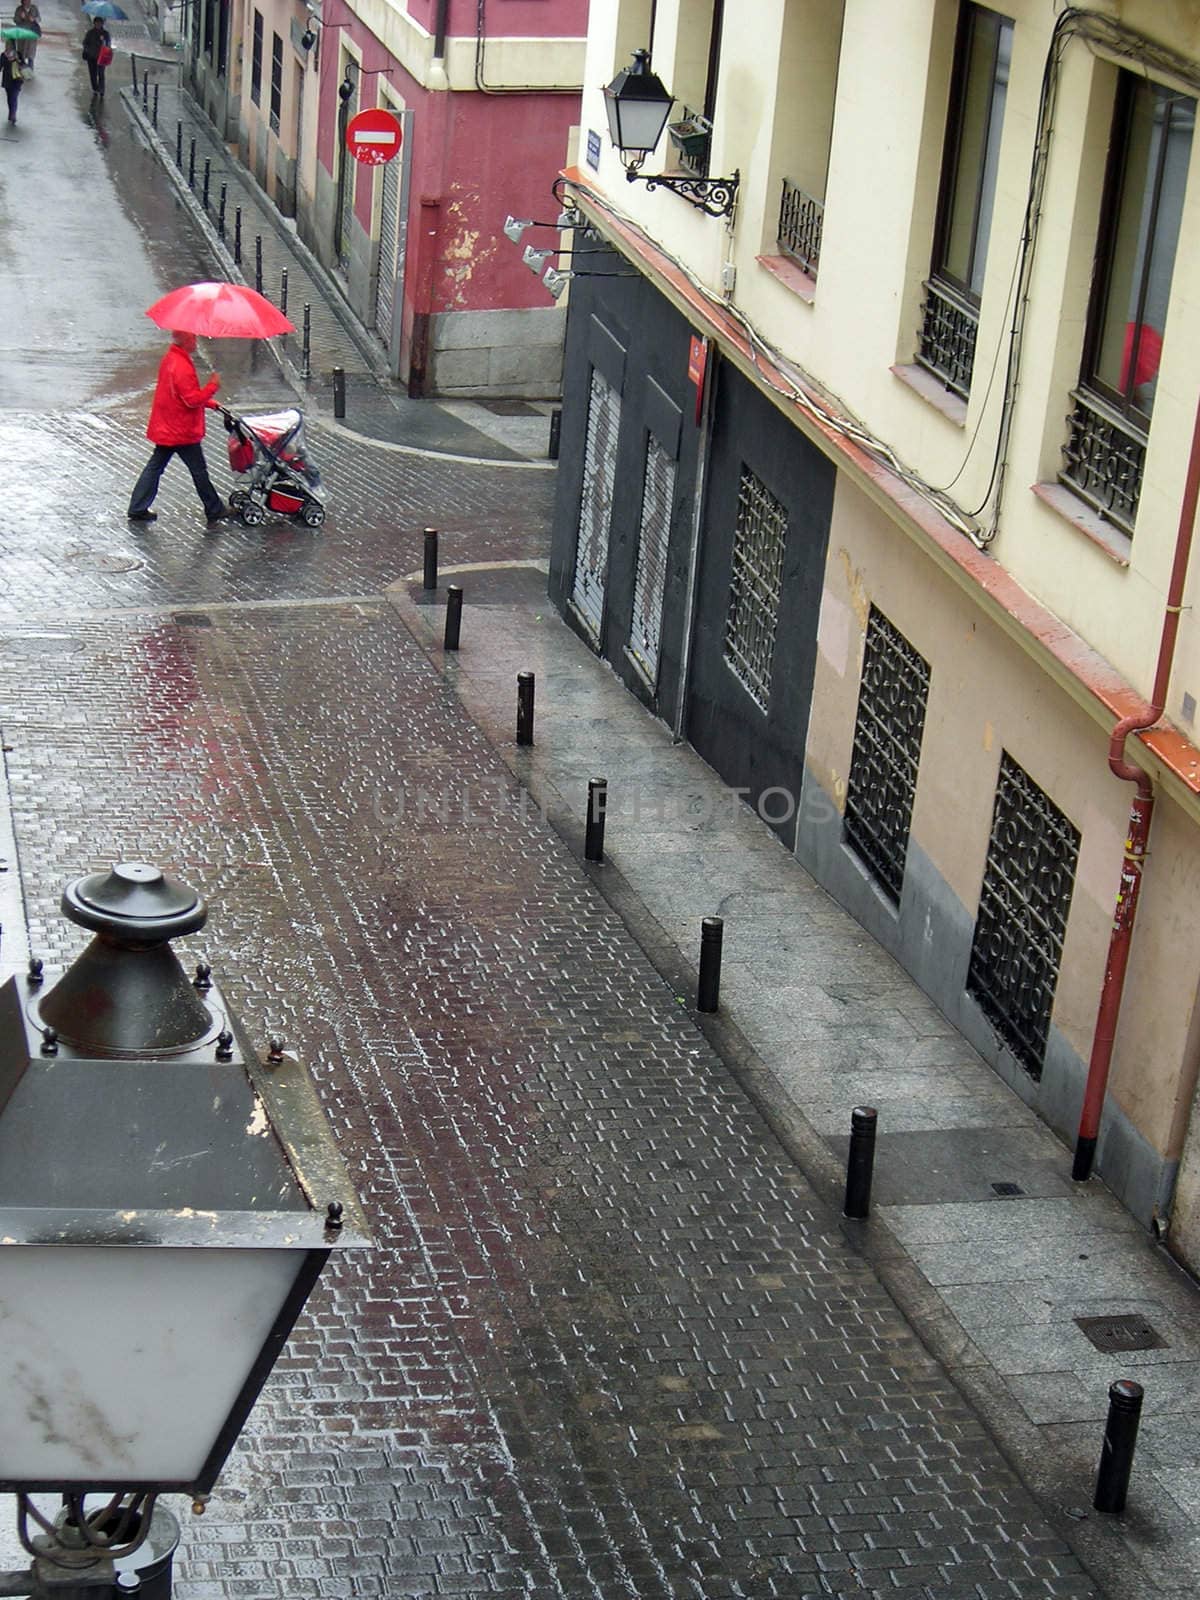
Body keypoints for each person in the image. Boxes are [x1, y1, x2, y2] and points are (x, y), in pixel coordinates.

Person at [127, 331, 233, 526]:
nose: (195, 340)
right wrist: (213, 385)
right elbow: (191, 400)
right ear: (186, 340)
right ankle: (214, 508)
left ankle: (137, 507)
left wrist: (209, 403)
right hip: (181, 430)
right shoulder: (182, 366)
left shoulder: (171, 359)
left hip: (168, 426)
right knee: (198, 470)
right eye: (193, 337)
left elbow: (181, 395)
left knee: (156, 466)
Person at [82, 16, 111, 97]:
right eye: (96, 23)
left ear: (102, 24)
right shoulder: (90, 33)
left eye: (100, 23)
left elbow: (108, 44)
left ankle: (101, 89)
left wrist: (104, 43)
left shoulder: (105, 33)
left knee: (101, 73)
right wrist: (87, 50)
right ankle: (95, 88)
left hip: (102, 57)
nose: (98, 25)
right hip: (91, 57)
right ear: (94, 23)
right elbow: (85, 43)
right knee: (93, 74)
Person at [1, 42, 23, 126]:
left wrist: (18, 60)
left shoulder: (18, 54)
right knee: (10, 98)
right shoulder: (3, 55)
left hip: (16, 80)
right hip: (8, 81)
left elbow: (23, 64)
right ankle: (11, 113)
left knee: (13, 97)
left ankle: (13, 114)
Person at [14, 2, 38, 70]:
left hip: (31, 36)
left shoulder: (34, 8)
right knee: (21, 55)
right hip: (22, 36)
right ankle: (22, 72)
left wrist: (34, 19)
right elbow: (15, 20)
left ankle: (30, 72)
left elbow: (39, 18)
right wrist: (21, 18)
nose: (27, 2)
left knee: (31, 56)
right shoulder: (19, 9)